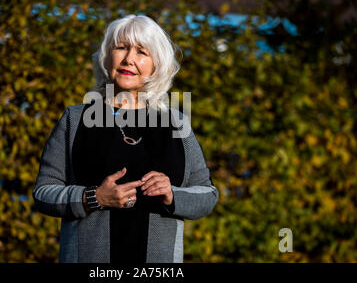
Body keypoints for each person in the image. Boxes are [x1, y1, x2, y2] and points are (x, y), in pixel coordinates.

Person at [32, 14, 219, 263]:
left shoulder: (176, 123)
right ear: (107, 56)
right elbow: (43, 193)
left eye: (142, 52)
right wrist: (94, 198)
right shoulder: (75, 119)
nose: (129, 59)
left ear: (156, 65)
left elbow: (207, 195)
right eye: (121, 47)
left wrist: (172, 195)